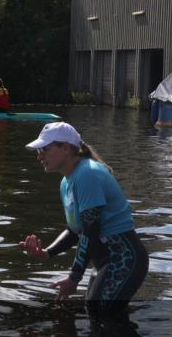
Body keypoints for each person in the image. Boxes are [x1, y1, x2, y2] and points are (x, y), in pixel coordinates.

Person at [19, 122, 148, 315]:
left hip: (123, 258)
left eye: (45, 149)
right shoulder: (67, 182)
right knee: (99, 316)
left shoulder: (87, 174)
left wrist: (74, 278)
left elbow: (91, 230)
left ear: (66, 148)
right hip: (105, 261)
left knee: (101, 316)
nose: (40, 157)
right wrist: (47, 253)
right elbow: (75, 230)